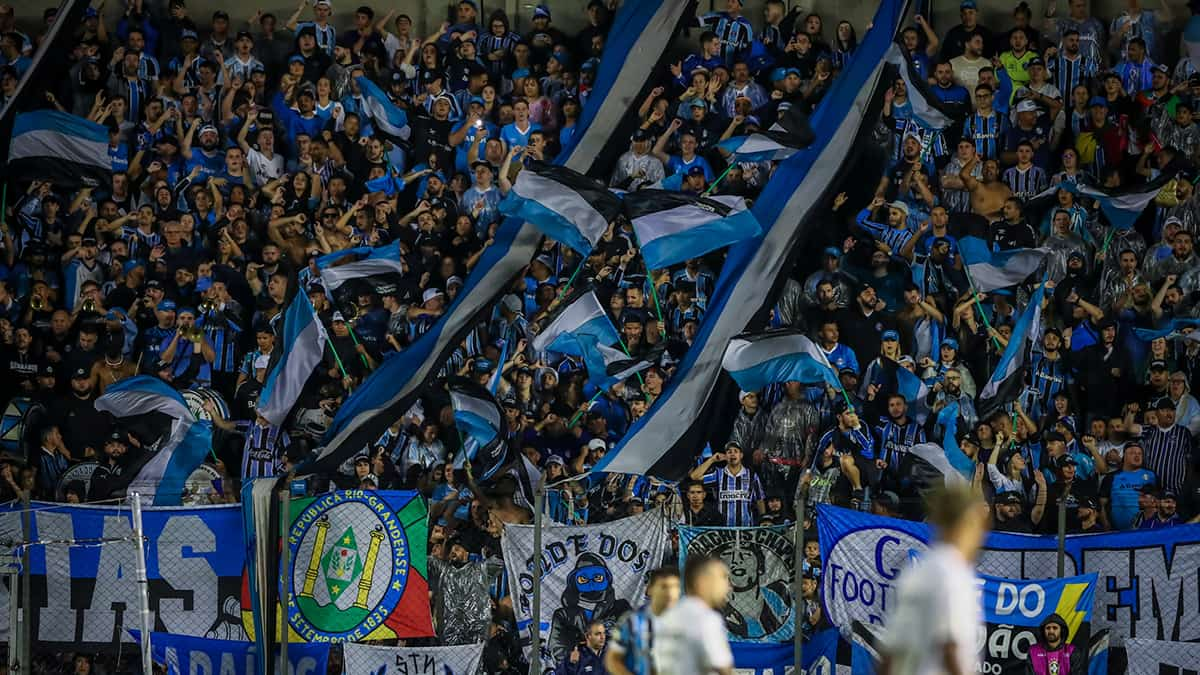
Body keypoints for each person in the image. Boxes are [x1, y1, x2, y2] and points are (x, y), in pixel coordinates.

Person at [879, 485, 988, 675]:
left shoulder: (918, 570)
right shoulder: (955, 573)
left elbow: (890, 653)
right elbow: (949, 646)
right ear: (967, 523)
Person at [653, 556, 733, 675]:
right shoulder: (707, 619)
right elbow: (725, 669)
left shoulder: (669, 615)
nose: (729, 587)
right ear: (702, 582)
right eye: (722, 578)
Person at [606, 567, 681, 675]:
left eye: (675, 587)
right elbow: (612, 659)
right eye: (664, 586)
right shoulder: (631, 621)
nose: (670, 592)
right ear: (649, 589)